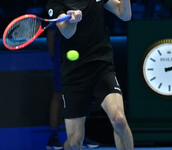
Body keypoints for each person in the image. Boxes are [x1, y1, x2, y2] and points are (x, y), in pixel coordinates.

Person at [46, 0, 134, 150]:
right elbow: (67, 33)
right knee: (74, 142)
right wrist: (73, 21)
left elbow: (125, 15)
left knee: (119, 119)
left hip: (101, 66)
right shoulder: (55, 4)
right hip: (74, 74)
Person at [46, 25, 100, 150]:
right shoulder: (58, 6)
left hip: (83, 57)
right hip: (63, 57)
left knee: (82, 94)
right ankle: (53, 137)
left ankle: (80, 135)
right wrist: (55, 56)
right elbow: (51, 33)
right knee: (58, 94)